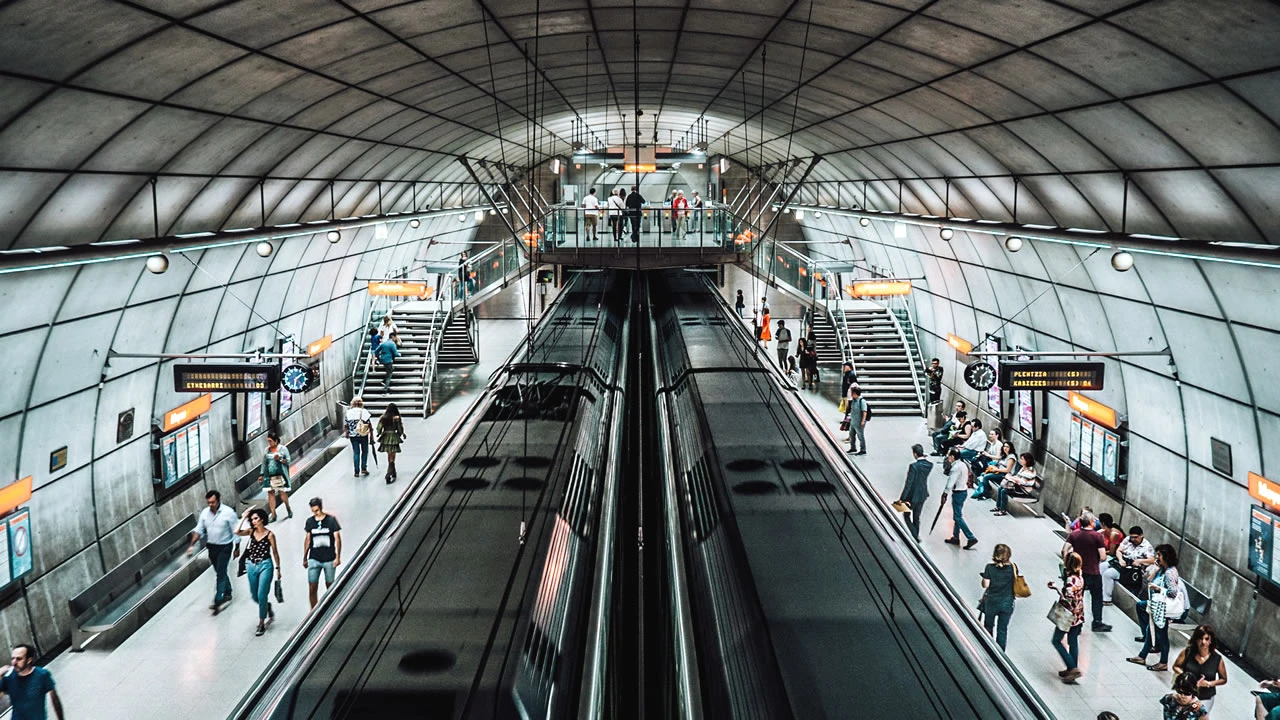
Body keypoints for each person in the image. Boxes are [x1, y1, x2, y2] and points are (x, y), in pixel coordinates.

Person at [1129, 543, 1185, 671]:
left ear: (1166, 556)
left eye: (1159, 555)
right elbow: (1149, 580)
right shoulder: (1163, 569)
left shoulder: (1170, 573)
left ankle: (1163, 662)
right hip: (1157, 605)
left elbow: (1172, 592)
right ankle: (1142, 656)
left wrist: (1158, 588)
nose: (1157, 557)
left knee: (1162, 634)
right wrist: (1155, 568)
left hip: (1163, 608)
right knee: (1150, 630)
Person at [187, 489, 238, 611]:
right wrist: (191, 545)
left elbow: (235, 531)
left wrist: (237, 547)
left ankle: (218, 599)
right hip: (212, 547)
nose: (210, 505)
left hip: (225, 546)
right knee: (219, 570)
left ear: (219, 500)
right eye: (208, 502)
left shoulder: (228, 513)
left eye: (213, 502)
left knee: (220, 572)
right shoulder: (205, 513)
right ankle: (228, 590)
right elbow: (199, 530)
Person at [235, 507, 281, 637]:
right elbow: (236, 532)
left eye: (256, 518)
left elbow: (275, 552)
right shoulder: (251, 532)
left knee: (261, 595)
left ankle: (261, 623)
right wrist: (244, 516)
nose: (253, 521)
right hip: (251, 565)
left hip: (266, 565)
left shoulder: (270, 535)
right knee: (255, 595)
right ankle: (266, 606)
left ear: (262, 519)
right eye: (252, 519)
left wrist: (278, 568)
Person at [1063, 510, 1111, 632]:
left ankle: (1074, 623)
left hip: (1077, 572)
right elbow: (1103, 557)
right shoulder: (1097, 536)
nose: (1096, 521)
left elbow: (1065, 549)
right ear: (1090, 522)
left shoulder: (1074, 534)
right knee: (1096, 598)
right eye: (1094, 520)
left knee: (1076, 598)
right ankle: (1097, 622)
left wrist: (1067, 564)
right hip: (1093, 572)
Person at [1048, 551, 1085, 683]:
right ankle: (1071, 668)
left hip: (1067, 615)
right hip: (1078, 615)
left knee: (1056, 640)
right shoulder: (1080, 578)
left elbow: (1068, 597)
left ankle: (1073, 667)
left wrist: (1056, 589)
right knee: (1073, 641)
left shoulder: (1070, 580)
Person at [0, 644, 64, 720]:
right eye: (12, 658)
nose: (14, 662)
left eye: (19, 659)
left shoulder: (42, 675)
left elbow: (55, 699)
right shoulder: (9, 677)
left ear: (29, 660)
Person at [1172, 625, 1227, 714]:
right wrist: (1187, 677)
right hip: (1186, 694)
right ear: (1196, 639)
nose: (1203, 642)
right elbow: (1176, 666)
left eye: (1206, 639)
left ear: (1210, 641)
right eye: (1200, 639)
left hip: (1205, 696)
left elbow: (1223, 679)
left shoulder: (1217, 659)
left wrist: (1208, 684)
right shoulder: (1187, 652)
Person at [302, 497, 342, 609]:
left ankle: (332, 607)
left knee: (330, 584)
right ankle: (313, 610)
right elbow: (308, 539)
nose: (316, 513)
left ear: (321, 507)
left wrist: (338, 557)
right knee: (312, 586)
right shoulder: (310, 522)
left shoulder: (331, 520)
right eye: (313, 511)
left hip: (329, 558)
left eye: (317, 510)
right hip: (314, 558)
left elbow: (337, 539)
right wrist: (305, 557)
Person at [1104, 525, 1156, 603]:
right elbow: (1119, 550)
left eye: (1135, 537)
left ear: (1141, 535)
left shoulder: (1147, 546)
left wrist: (1140, 561)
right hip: (1122, 562)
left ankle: (1106, 598)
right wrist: (1121, 559)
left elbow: (1152, 560)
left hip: (1132, 570)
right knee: (1102, 566)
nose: (1133, 539)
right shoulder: (1128, 540)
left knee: (1108, 573)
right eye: (1132, 537)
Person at [980, 544, 1016, 649]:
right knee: (1002, 630)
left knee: (988, 627)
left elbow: (985, 585)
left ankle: (988, 649)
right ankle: (1000, 653)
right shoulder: (1013, 567)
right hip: (1007, 603)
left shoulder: (989, 567)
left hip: (991, 602)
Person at [942, 449, 977, 549]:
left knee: (958, 517)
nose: (948, 457)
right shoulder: (962, 464)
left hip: (958, 493)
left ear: (952, 457)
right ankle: (956, 537)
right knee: (957, 515)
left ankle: (971, 537)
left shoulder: (956, 468)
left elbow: (951, 482)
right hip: (963, 491)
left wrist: (945, 493)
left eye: (949, 455)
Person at [898, 445, 933, 541]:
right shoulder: (929, 465)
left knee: (906, 515)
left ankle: (914, 534)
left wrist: (902, 498)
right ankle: (916, 535)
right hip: (923, 494)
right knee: (916, 516)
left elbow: (908, 483)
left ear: (915, 454)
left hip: (912, 496)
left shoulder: (913, 466)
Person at [258, 431, 294, 522]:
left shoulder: (283, 449)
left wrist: (280, 459)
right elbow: (264, 463)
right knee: (270, 493)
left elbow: (288, 461)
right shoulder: (267, 450)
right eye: (268, 441)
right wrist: (261, 474)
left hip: (279, 474)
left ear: (276, 441)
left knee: (282, 492)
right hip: (269, 475)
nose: (269, 443)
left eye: (270, 441)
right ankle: (273, 514)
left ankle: (288, 508)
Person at [377, 402, 406, 484]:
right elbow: (400, 429)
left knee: (389, 454)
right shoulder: (396, 418)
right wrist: (400, 434)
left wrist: (379, 433)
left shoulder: (383, 417)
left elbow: (379, 428)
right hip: (393, 437)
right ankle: (389, 473)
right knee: (393, 456)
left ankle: (392, 471)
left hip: (385, 437)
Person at [344, 397, 372, 477]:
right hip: (363, 434)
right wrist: (372, 436)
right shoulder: (364, 412)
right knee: (365, 451)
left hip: (353, 435)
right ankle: (363, 468)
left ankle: (356, 471)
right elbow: (369, 424)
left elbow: (346, 425)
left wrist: (347, 433)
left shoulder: (348, 412)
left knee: (356, 452)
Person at [846, 385, 868, 455]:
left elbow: (864, 412)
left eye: (852, 393)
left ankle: (863, 449)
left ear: (855, 394)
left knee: (860, 436)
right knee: (851, 435)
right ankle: (853, 448)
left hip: (859, 423)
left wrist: (862, 421)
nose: (851, 395)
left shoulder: (862, 401)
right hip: (853, 422)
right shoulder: (853, 401)